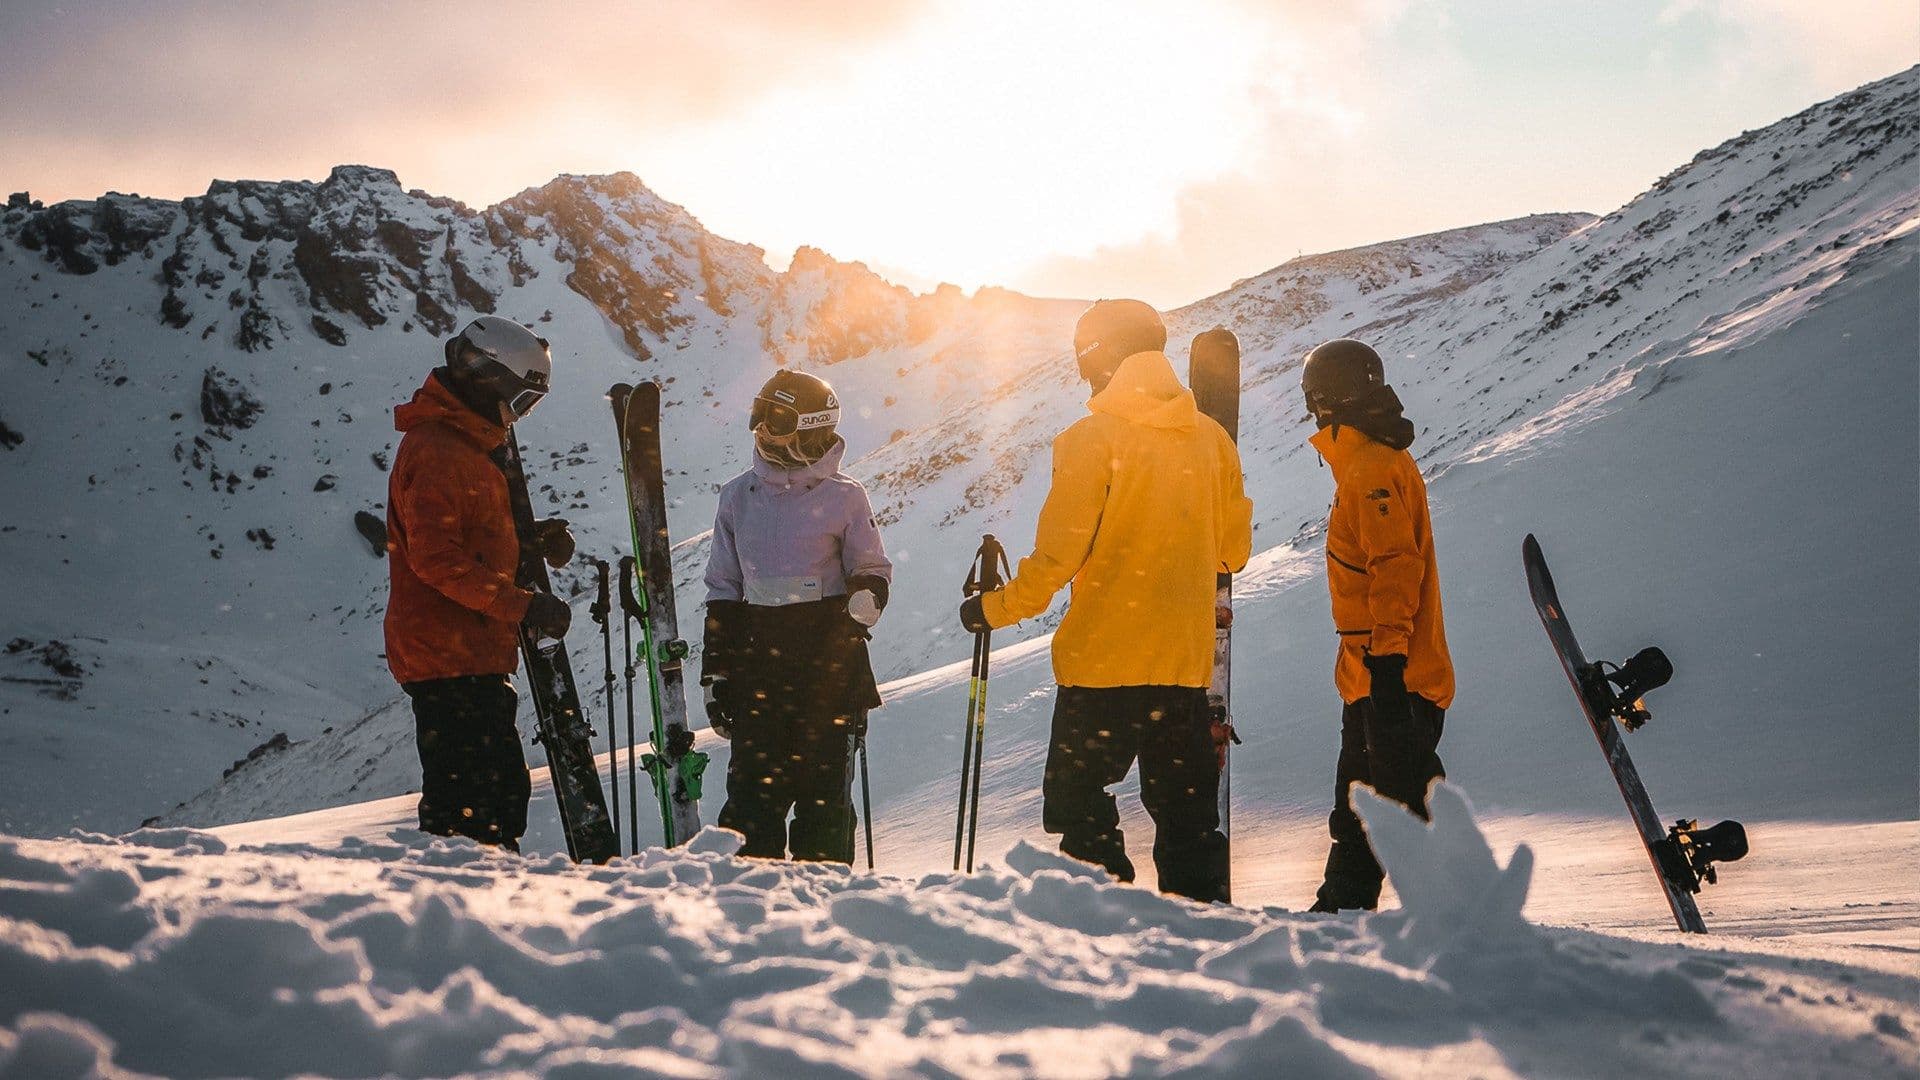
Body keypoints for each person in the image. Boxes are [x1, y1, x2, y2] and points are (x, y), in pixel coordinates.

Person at [958, 299, 1252, 902]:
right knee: (1188, 819)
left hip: (1101, 669)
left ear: (1097, 358)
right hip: (1181, 669)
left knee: (1079, 805)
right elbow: (1234, 553)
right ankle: (1199, 935)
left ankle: (1108, 925)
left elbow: (1056, 563)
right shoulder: (1213, 441)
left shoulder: (1090, 440)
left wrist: (990, 610)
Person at [383, 316, 576, 851]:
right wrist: (523, 607)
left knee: (494, 792)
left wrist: (529, 541)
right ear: (488, 379)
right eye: (520, 401)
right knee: (472, 803)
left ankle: (478, 893)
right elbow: (437, 560)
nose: (519, 417)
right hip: (449, 655)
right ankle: (464, 900)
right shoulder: (440, 451)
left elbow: (470, 537)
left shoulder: (466, 445)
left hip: (467, 651)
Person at [701, 369, 891, 863]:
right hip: (759, 663)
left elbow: (871, 566)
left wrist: (865, 600)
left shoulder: (845, 497)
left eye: (778, 421)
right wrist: (717, 670)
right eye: (761, 417)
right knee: (751, 806)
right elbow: (723, 585)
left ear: (811, 428)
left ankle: (824, 910)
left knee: (823, 803)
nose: (764, 431)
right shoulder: (738, 496)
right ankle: (750, 908)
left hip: (826, 662)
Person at [1299, 338, 1455, 913]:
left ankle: (1459, 915)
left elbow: (1394, 566)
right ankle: (1341, 910)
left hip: (1395, 678)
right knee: (1365, 807)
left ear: (1327, 400)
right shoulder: (1373, 463)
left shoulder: (1369, 470)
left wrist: (1387, 662)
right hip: (1374, 677)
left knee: (1401, 805)